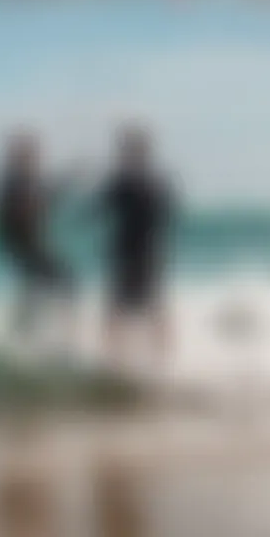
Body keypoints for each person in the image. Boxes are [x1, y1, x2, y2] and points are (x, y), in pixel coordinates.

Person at [97, 125, 176, 366]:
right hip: (144, 254)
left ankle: (119, 362)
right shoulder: (155, 183)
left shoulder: (125, 182)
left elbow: (98, 209)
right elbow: (166, 217)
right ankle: (157, 362)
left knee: (126, 310)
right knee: (147, 309)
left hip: (133, 254)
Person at [0, 131, 75, 343]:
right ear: (19, 156)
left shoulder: (27, 179)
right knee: (61, 281)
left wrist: (63, 185)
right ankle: (50, 336)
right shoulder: (12, 181)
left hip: (30, 243)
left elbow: (46, 200)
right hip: (22, 244)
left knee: (38, 286)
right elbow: (13, 212)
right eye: (30, 154)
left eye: (35, 154)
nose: (36, 158)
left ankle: (24, 332)